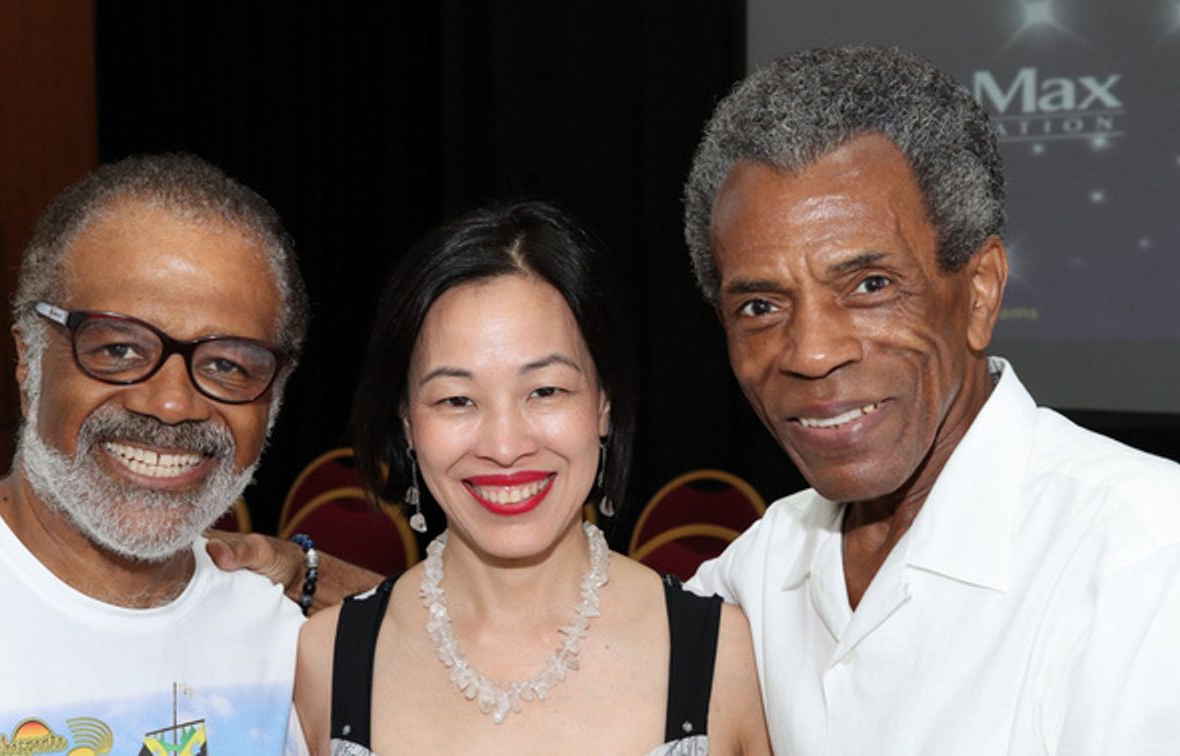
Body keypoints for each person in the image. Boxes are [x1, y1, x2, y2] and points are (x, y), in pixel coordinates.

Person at [682, 45, 1180, 754]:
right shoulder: (756, 570)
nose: (812, 352)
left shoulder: (1145, 557)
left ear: (979, 293)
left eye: (870, 286)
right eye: (761, 305)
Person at [291, 202, 770, 755]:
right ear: (407, 423)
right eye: (456, 399)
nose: (504, 446)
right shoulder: (323, 663)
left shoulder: (725, 655)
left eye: (545, 391)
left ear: (603, 405)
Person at [0, 153, 319, 753]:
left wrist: (314, 575)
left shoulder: (285, 644)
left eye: (226, 364)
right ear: (29, 361)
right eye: (118, 350)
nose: (171, 404)